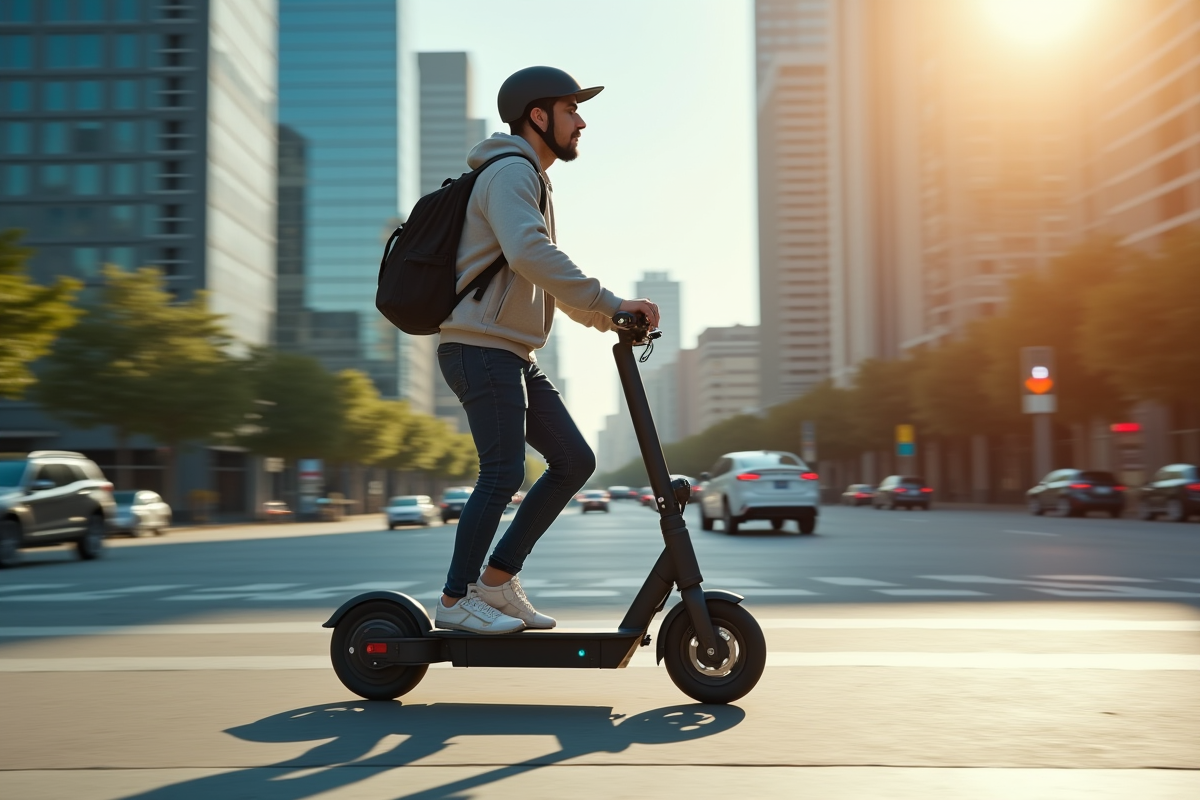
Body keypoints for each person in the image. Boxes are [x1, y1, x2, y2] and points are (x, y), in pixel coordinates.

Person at [433, 66, 660, 634]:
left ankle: (498, 581)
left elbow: (536, 281)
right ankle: (457, 599)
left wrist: (609, 319)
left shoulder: (527, 177)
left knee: (574, 461)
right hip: (480, 348)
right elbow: (531, 254)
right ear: (539, 116)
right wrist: (610, 302)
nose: (581, 120)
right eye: (571, 109)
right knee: (503, 471)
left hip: (508, 352)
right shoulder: (510, 172)